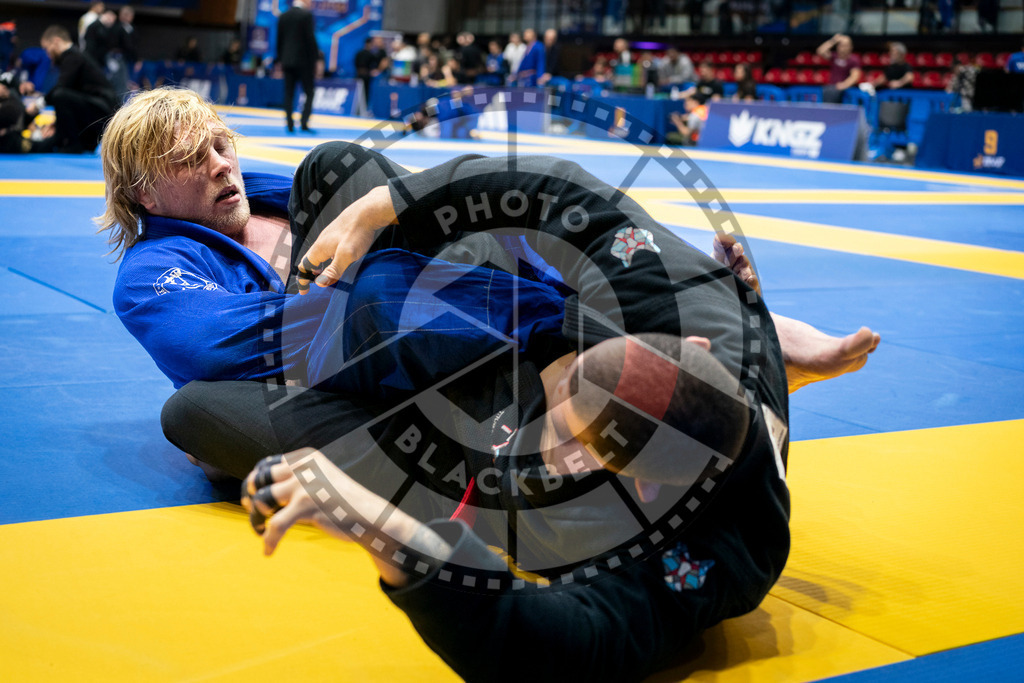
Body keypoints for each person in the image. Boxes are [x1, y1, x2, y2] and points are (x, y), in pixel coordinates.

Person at [100, 86, 879, 681]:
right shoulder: (692, 306)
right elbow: (565, 190)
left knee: (196, 412)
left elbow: (553, 644)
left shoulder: (711, 557)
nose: (221, 165)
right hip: (485, 316)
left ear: (626, 486)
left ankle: (455, 322)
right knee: (348, 185)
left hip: (425, 451)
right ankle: (547, 322)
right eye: (570, 387)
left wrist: (393, 535)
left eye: (569, 428)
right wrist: (389, 204)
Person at [36, 25, 117, 154]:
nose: (48, 54)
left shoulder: (73, 56)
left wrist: (39, 104)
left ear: (56, 41)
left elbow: (61, 88)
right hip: (98, 111)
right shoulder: (76, 56)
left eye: (47, 48)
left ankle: (70, 143)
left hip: (102, 112)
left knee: (60, 95)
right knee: (63, 96)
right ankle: (79, 142)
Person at [276, 0, 318, 133]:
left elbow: (279, 40)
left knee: (288, 93)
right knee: (309, 92)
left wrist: (280, 60)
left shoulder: (284, 16)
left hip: (287, 61)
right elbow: (310, 39)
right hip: (304, 61)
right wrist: (315, 59)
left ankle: (289, 124)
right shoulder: (306, 15)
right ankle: (304, 123)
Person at [816, 33, 862, 104]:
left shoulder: (854, 60)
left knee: (833, 92)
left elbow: (854, 77)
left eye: (847, 46)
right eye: (842, 45)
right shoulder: (834, 56)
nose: (844, 48)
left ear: (851, 47)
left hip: (845, 88)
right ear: (838, 46)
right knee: (827, 91)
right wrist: (833, 40)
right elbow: (820, 51)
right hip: (831, 87)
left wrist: (844, 85)